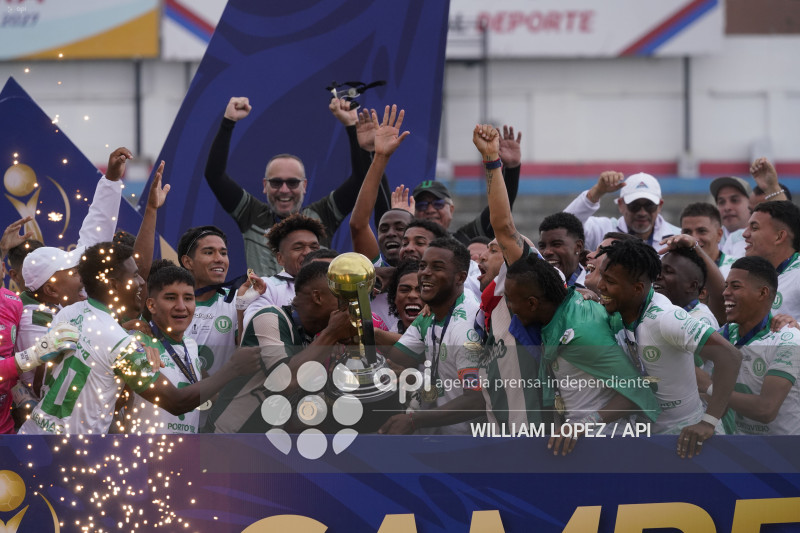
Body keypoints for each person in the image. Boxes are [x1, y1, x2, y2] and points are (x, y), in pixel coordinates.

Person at [19, 242, 259, 435]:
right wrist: (233, 368)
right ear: (113, 285)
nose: (141, 282)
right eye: (134, 276)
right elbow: (175, 402)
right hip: (69, 454)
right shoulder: (122, 345)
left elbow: (40, 380)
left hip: (32, 435)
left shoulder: (68, 312)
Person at [204, 96, 385, 276]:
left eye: (292, 182)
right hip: (263, 304)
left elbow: (362, 182)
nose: (284, 190)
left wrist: (352, 128)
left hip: (314, 302)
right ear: (264, 185)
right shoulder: (251, 214)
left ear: (304, 185)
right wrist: (229, 121)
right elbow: (214, 176)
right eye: (276, 182)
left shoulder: (322, 215)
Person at [596, 238, 742, 458]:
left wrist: (709, 422)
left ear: (636, 288)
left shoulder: (665, 319)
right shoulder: (626, 308)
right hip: (652, 442)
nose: (600, 286)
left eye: (609, 280)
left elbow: (730, 356)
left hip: (692, 444)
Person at [206, 261, 356, 434]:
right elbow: (283, 382)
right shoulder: (270, 317)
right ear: (318, 297)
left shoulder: (314, 337)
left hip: (266, 448)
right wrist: (332, 334)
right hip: (226, 441)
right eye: (342, 298)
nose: (347, 307)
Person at [379, 238, 484, 435]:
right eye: (422, 266)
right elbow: (395, 360)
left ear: (460, 278)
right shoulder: (430, 313)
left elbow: (476, 400)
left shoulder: (465, 329)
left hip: (471, 444)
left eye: (437, 267)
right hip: (440, 438)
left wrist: (414, 420)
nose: (425, 272)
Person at [716, 257, 800, 435]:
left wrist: (708, 389)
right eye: (726, 286)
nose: (725, 292)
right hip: (740, 450)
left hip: (786, 454)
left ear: (762, 293)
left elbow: (766, 410)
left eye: (735, 286)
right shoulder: (725, 333)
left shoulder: (787, 338)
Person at [410, 125, 522, 247]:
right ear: (412, 212)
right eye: (421, 205)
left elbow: (497, 214)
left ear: (451, 209)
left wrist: (511, 170)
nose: (430, 210)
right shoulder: (403, 247)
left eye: (438, 204)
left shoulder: (466, 240)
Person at [128, 260, 205, 435]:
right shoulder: (135, 341)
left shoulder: (191, 346)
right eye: (170, 298)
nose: (181, 306)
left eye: (188, 298)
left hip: (186, 454)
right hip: (142, 455)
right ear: (151, 305)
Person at [177, 226, 239, 378]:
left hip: (222, 399)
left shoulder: (238, 301)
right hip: (172, 398)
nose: (219, 259)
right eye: (209, 252)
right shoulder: (168, 304)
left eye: (223, 253)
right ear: (188, 262)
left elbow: (247, 355)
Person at [241, 214, 325, 326]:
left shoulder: (334, 284)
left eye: (314, 247)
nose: (308, 252)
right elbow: (256, 329)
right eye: (298, 248)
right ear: (280, 259)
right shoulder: (267, 287)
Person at [563, 171, 680, 251]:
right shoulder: (603, 230)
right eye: (634, 205)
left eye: (649, 206)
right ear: (621, 205)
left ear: (660, 206)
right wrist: (597, 191)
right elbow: (562, 227)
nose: (642, 212)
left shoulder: (678, 237)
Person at [743, 201, 800, 320]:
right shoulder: (748, 274)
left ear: (779, 237)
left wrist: (797, 326)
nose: (745, 234)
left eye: (754, 228)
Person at [655, 246, 718, 328]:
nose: (657, 276)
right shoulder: (656, 309)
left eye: (668, 271)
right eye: (659, 270)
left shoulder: (700, 321)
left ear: (692, 286)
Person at [680, 203, 737, 278]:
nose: (693, 238)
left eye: (702, 231)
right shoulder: (673, 269)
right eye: (687, 232)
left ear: (719, 234)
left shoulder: (737, 269)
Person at [538, 212, 586, 287]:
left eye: (556, 244)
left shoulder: (595, 289)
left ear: (578, 247)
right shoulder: (533, 288)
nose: (546, 252)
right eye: (542, 246)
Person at [709, 176, 752, 258]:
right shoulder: (710, 242)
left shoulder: (763, 239)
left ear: (751, 203)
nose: (727, 207)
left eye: (734, 200)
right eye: (721, 202)